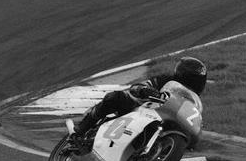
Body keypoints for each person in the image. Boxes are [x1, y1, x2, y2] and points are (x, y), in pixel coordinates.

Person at [73, 56, 207, 136]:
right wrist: (146, 91)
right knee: (113, 97)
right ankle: (85, 125)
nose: (195, 82)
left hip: (165, 119)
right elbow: (139, 86)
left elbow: (194, 118)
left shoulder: (194, 100)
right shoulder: (165, 80)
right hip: (141, 108)